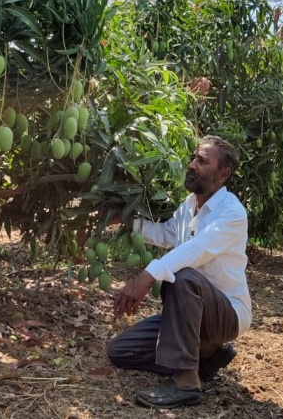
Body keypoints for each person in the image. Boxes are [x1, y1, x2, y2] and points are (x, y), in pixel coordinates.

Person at [107, 135, 252, 409]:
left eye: (202, 161)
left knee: (183, 275)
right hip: (189, 314)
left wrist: (146, 277)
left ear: (223, 174)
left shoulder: (231, 212)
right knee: (120, 351)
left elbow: (197, 249)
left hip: (227, 314)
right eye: (194, 158)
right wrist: (129, 221)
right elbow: (166, 234)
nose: (192, 165)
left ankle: (186, 382)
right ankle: (207, 356)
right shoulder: (188, 205)